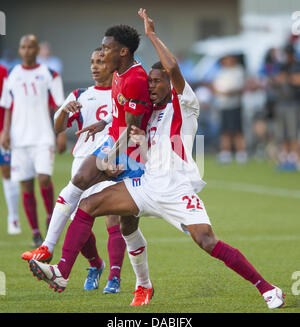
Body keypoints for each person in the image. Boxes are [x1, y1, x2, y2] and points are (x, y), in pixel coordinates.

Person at [28, 9, 285, 310]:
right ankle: (64, 273)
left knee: (207, 241)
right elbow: (142, 144)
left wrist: (151, 35)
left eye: (157, 81)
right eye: (149, 81)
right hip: (146, 185)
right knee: (89, 204)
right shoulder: (149, 115)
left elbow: (173, 67)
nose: (151, 86)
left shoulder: (185, 103)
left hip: (176, 189)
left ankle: (267, 288)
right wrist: (124, 141)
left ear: (170, 83)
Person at [26, 23, 152, 281]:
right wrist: (103, 123)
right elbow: (118, 116)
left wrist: (111, 157)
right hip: (112, 145)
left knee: (123, 224)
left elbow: (133, 127)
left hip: (129, 154)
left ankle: (129, 279)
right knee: (81, 196)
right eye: (98, 53)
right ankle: (52, 256)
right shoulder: (112, 77)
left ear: (124, 51)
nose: (101, 57)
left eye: (106, 50)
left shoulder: (135, 78)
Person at [22, 48, 126, 293]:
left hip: (110, 162)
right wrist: (65, 112)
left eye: (100, 61)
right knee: (78, 221)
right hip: (82, 163)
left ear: (111, 64)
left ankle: (114, 277)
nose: (94, 66)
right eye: (92, 62)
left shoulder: (120, 93)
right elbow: (58, 127)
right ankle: (95, 264)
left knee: (114, 219)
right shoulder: (80, 94)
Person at [1, 35, 65, 247]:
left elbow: (59, 106)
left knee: (44, 179)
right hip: (19, 139)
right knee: (26, 184)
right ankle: (35, 233)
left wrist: (61, 133)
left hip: (43, 137)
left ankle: (50, 219)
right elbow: (8, 106)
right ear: (20, 50)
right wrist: (6, 132)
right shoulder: (12, 73)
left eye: (31, 47)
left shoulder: (49, 74)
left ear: (37, 49)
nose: (27, 50)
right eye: (23, 47)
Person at [212, 54, 247, 164]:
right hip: (223, 105)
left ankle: (241, 153)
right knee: (225, 130)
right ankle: (225, 153)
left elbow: (240, 87)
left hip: (234, 105)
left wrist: (228, 92)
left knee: (237, 130)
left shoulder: (238, 71)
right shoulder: (221, 72)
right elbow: (215, 86)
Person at [272, 44, 300, 171]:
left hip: (293, 103)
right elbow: (276, 80)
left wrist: (287, 78)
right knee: (282, 133)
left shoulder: (296, 66)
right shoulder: (282, 66)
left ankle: (295, 159)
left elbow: (297, 80)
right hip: (281, 102)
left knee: (292, 132)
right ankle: (286, 159)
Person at [0, 63, 20, 234]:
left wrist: (6, 130)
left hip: (2, 130)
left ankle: (13, 217)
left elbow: (8, 103)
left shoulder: (3, 72)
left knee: (7, 171)